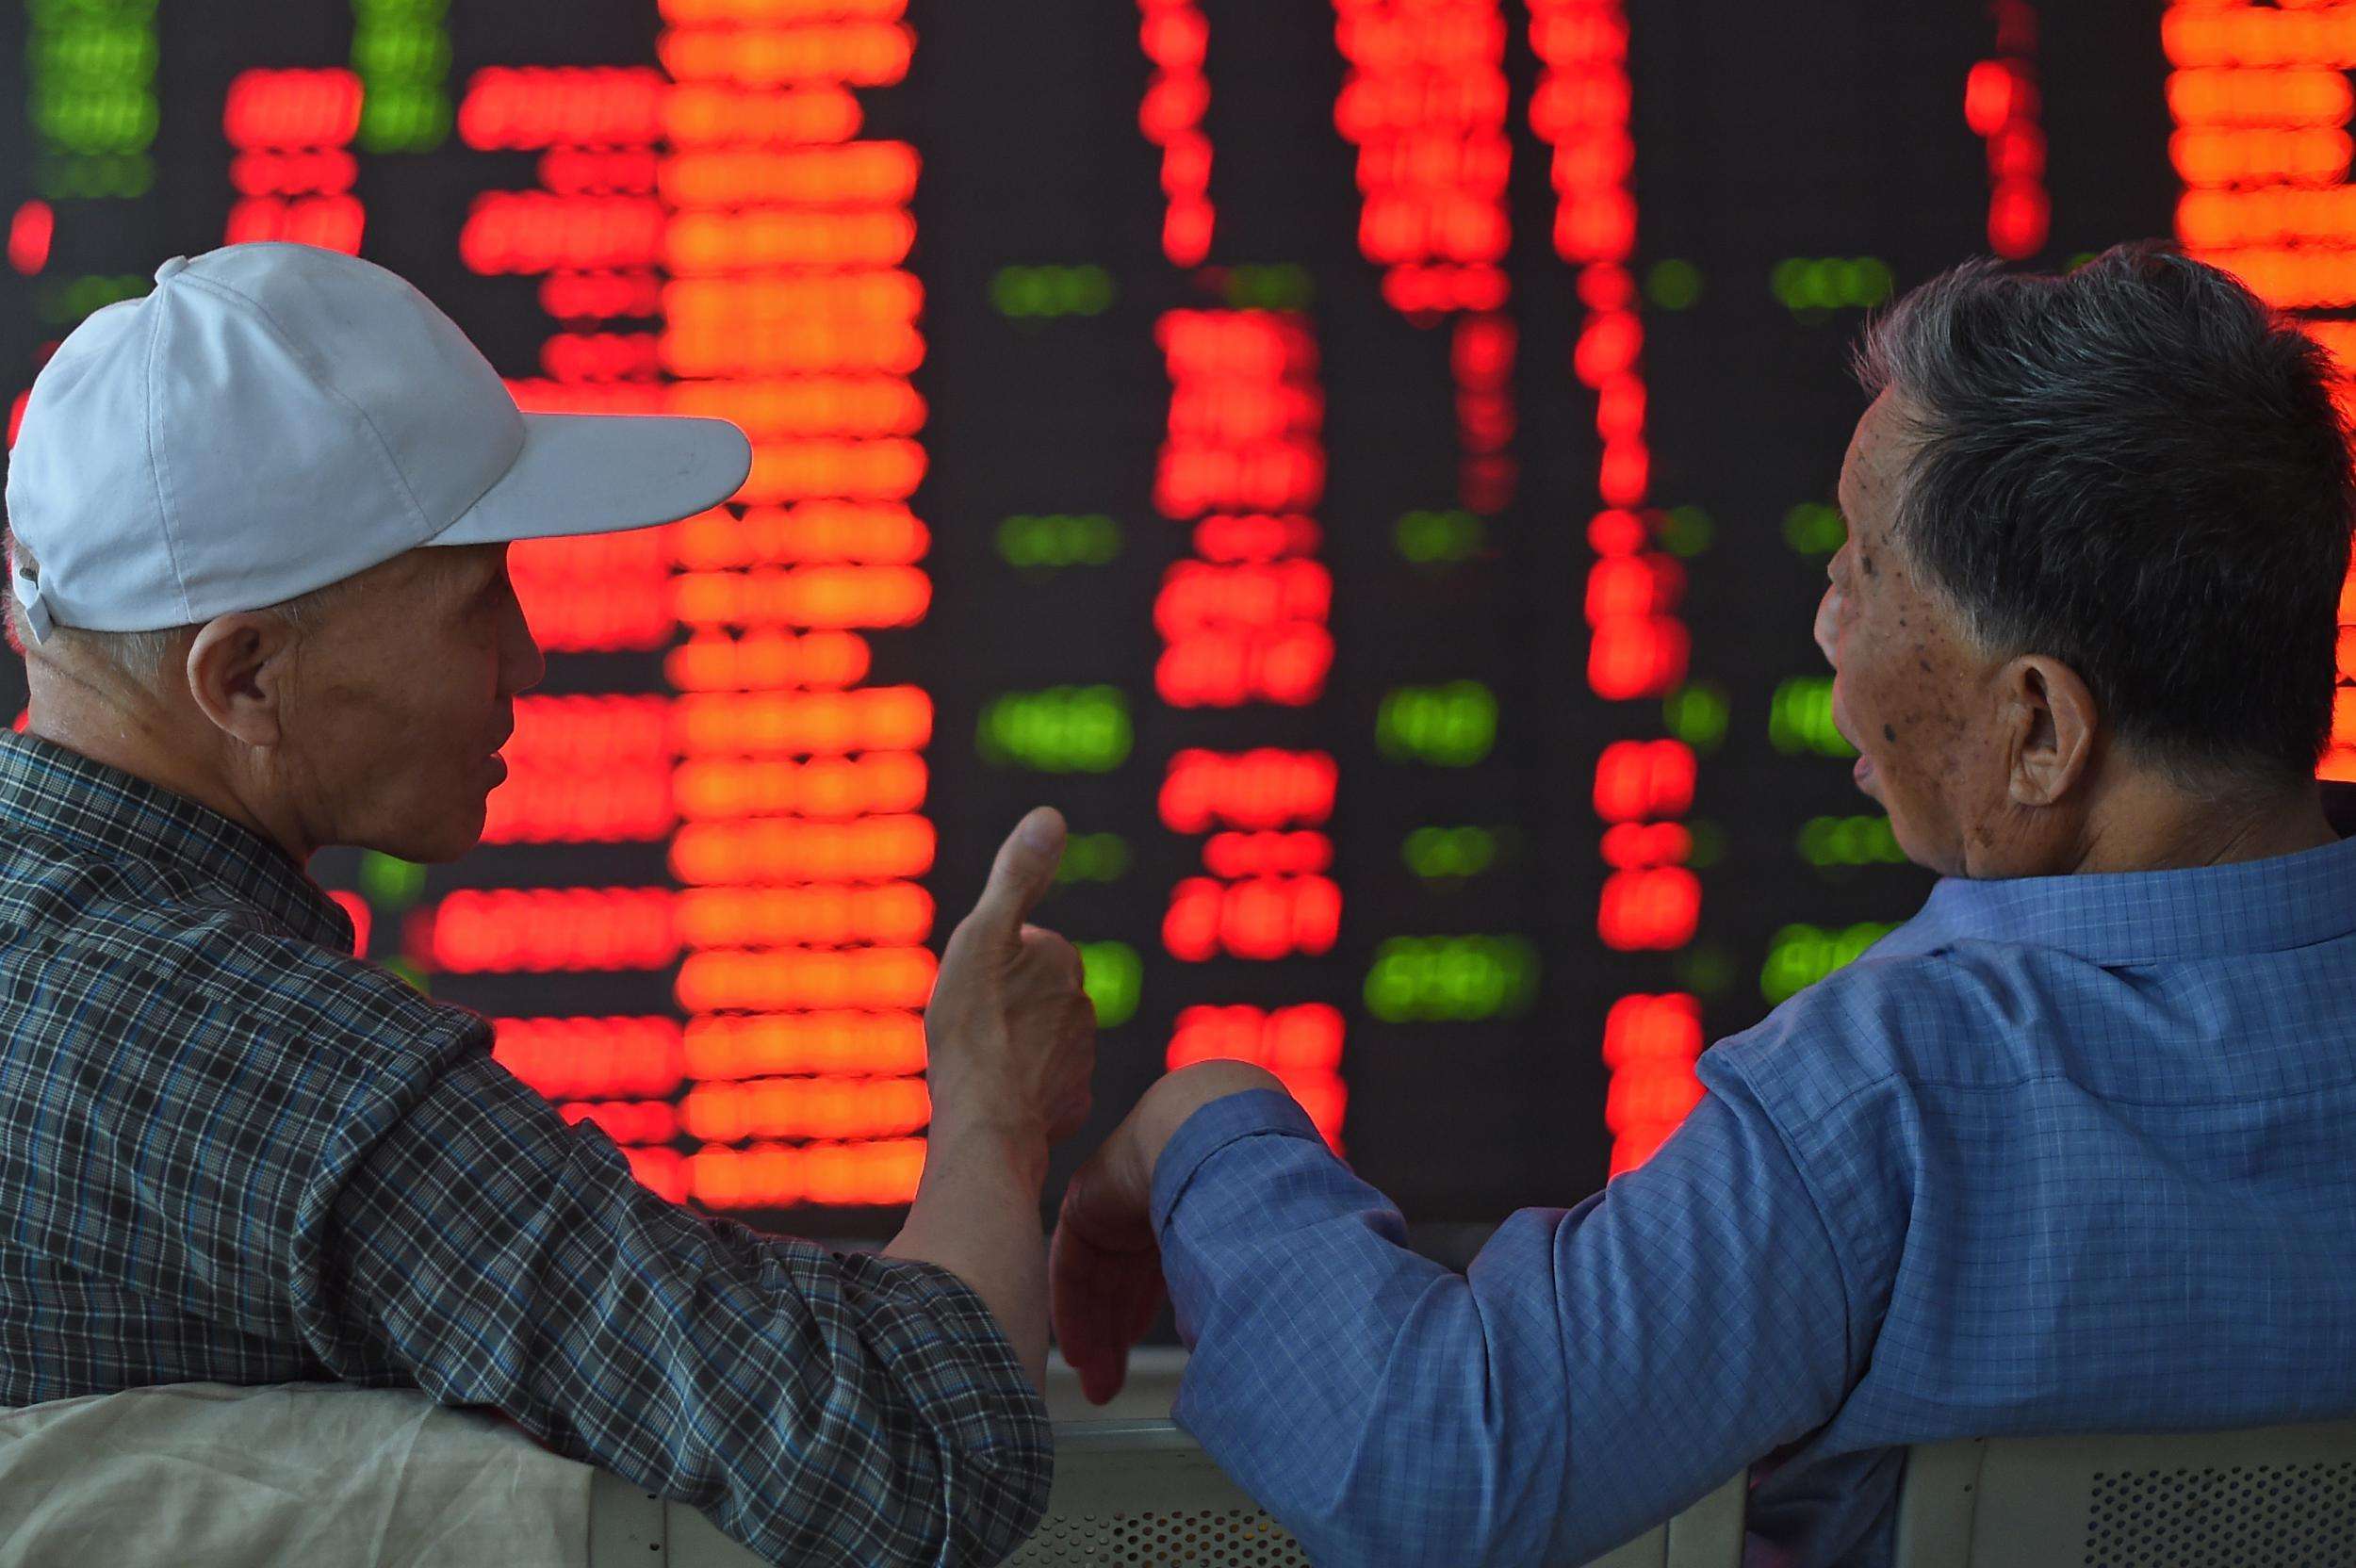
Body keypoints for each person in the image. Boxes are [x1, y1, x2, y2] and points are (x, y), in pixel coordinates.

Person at [1053, 241, 2356, 1567]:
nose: (1827, 624)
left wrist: (1197, 1128)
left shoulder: (1896, 1109)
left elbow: (1433, 1464)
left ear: (2039, 732)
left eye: (1868, 571)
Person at [0, 242, 1094, 1566]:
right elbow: (914, 1458)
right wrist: (993, 1103)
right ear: (242, 681)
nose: (526, 654)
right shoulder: (243, 1050)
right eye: (478, 600)